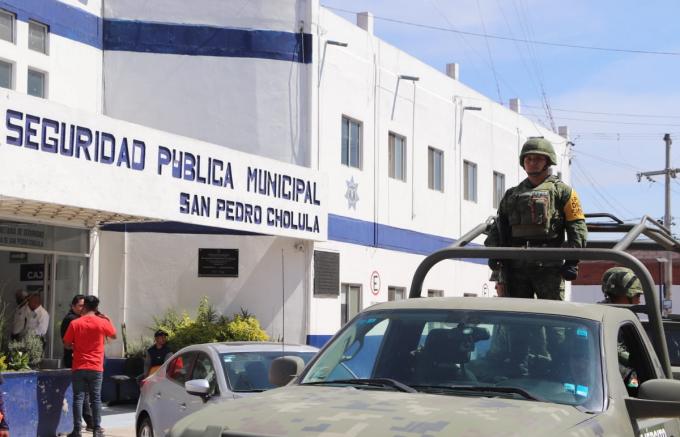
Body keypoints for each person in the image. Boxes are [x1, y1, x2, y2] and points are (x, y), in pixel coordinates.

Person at [485, 137, 588, 300]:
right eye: (528, 158)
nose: (532, 162)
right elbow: (499, 227)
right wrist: (494, 254)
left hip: (548, 265)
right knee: (516, 316)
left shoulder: (564, 192)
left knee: (552, 317)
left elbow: (577, 228)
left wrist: (572, 261)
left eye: (538, 158)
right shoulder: (511, 194)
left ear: (548, 162)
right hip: (515, 265)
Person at [63, 295, 116, 437]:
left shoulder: (75, 323)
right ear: (97, 308)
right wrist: (107, 318)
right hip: (96, 367)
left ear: (85, 306)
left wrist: (75, 346)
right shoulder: (102, 322)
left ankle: (77, 430)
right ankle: (97, 430)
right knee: (96, 398)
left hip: (79, 366)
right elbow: (114, 335)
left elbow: (66, 344)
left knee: (78, 398)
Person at [600, 266, 642, 389]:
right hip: (612, 378)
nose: (639, 302)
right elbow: (612, 349)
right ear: (626, 295)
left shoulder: (624, 315)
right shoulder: (609, 316)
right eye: (637, 296)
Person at [61, 295, 94, 431]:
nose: (82, 308)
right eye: (80, 305)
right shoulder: (72, 320)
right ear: (73, 306)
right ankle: (89, 423)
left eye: (84, 305)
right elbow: (67, 342)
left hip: (80, 359)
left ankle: (86, 423)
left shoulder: (78, 319)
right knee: (83, 393)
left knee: (83, 392)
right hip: (74, 360)